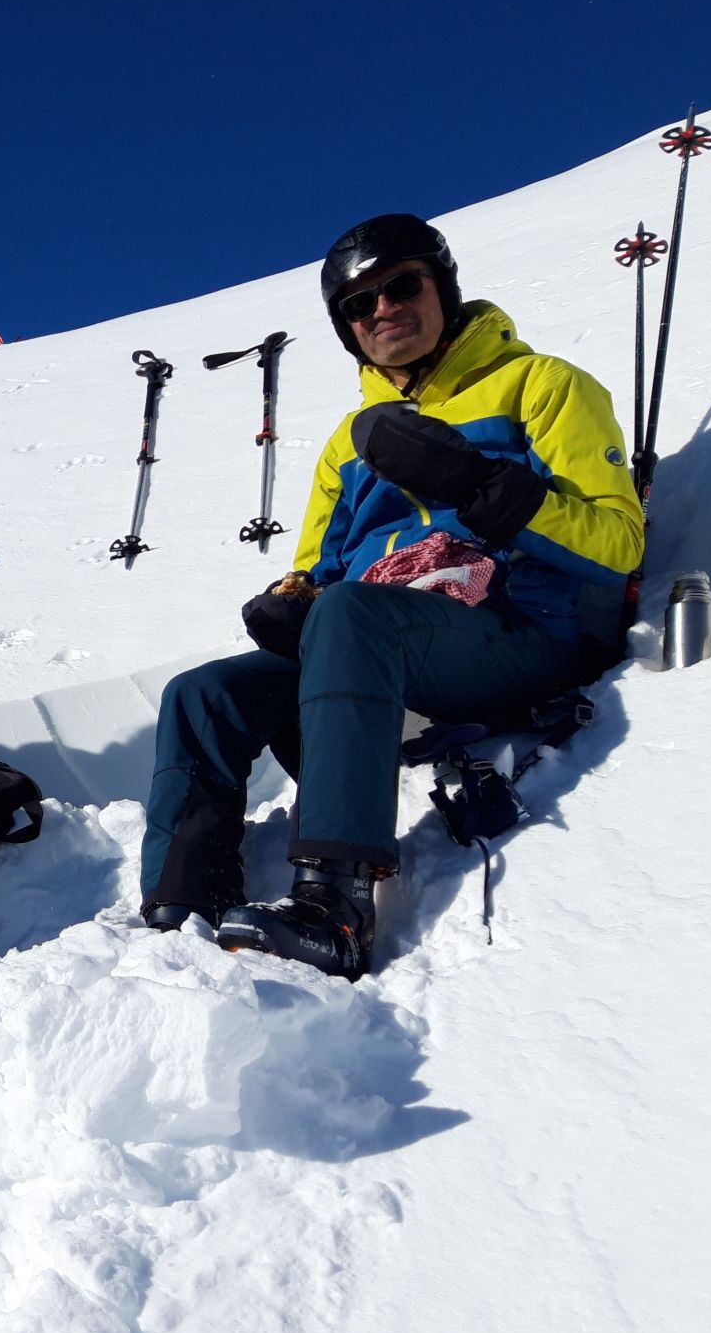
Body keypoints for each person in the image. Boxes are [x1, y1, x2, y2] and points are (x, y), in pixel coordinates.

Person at [140, 214, 642, 978]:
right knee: (203, 693)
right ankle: (182, 908)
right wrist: (292, 604)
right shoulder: (350, 443)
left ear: (443, 287)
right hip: (378, 645)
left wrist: (483, 488)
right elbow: (319, 573)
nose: (382, 309)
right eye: (358, 304)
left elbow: (618, 543)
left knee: (349, 616)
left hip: (517, 632)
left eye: (401, 285)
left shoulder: (542, 386)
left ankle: (334, 907)